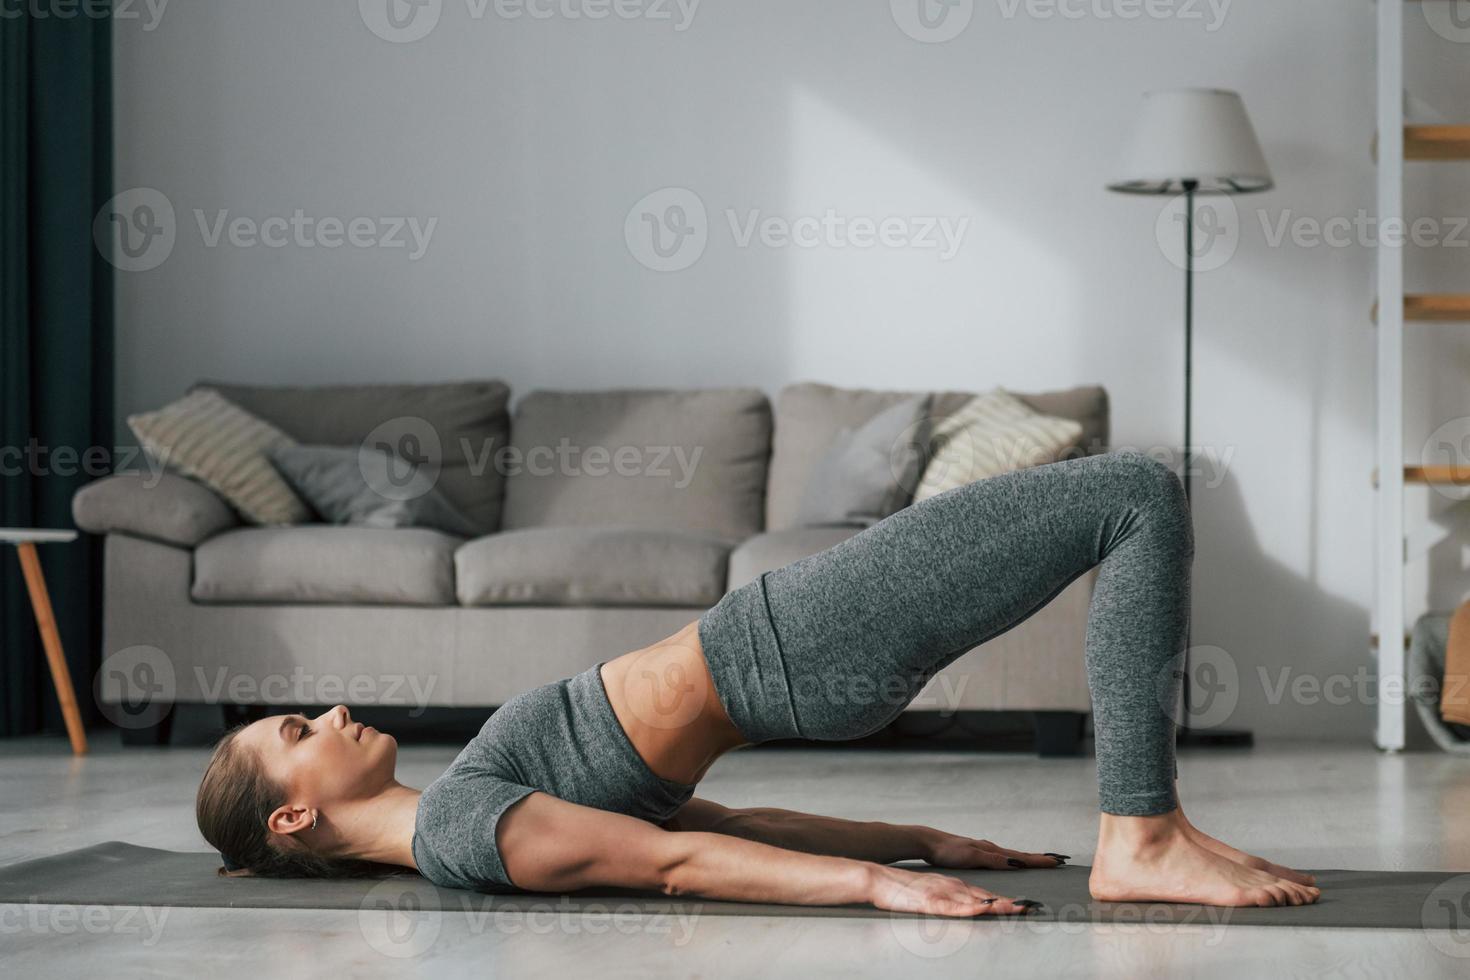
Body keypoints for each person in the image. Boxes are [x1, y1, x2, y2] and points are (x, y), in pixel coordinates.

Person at [196, 450, 1320, 917]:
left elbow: (706, 814)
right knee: (1136, 492)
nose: (331, 710)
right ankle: (1142, 830)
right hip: (790, 642)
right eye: (299, 726)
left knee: (1134, 498)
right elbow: (681, 864)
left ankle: (1154, 821)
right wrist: (877, 890)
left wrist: (920, 836)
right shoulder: (459, 827)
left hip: (793, 655)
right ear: (294, 810)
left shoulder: (468, 802)